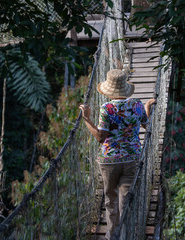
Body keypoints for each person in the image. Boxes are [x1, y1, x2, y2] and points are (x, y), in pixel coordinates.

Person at [79, 69, 155, 239]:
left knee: (111, 199)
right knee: (126, 201)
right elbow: (146, 125)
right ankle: (126, 235)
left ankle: (112, 236)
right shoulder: (137, 104)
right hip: (133, 158)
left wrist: (87, 119)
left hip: (109, 161)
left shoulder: (107, 108)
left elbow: (100, 137)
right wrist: (147, 107)